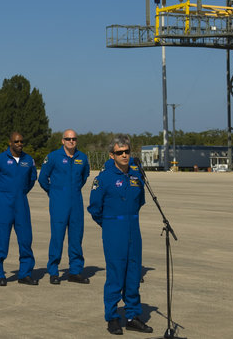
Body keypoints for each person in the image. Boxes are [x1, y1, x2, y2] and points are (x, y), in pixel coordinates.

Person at [87, 136, 153, 335]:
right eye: (119, 152)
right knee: (115, 274)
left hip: (133, 228)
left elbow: (140, 201)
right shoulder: (104, 178)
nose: (124, 155)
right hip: (113, 229)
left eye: (127, 152)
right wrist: (109, 223)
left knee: (133, 274)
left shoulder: (136, 176)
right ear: (111, 155)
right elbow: (94, 208)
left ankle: (132, 315)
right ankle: (113, 317)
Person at [38, 129, 91, 284]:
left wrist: (74, 189)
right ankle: (54, 271)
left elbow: (84, 176)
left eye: (74, 138)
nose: (71, 141)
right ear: (62, 141)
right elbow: (42, 178)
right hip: (58, 202)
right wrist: (53, 192)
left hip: (76, 201)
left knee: (76, 237)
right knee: (57, 237)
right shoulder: (53, 157)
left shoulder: (82, 157)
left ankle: (75, 271)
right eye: (68, 139)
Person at [0, 132, 38, 286]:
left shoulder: (28, 160)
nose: (19, 144)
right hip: (4, 203)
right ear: (10, 142)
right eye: (16, 141)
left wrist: (20, 193)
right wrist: (1, 197)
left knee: (25, 239)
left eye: (22, 141)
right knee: (2, 239)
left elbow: (31, 180)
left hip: (21, 202)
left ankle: (25, 274)